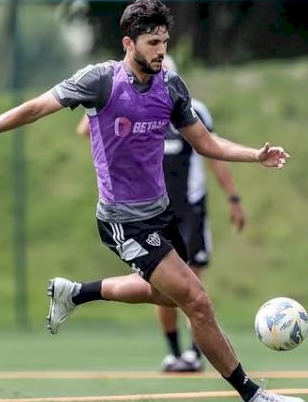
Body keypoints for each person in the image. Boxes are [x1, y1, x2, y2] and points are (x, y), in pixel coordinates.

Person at [0, 0, 302, 402]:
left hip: (161, 216)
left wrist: (255, 155)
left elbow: (206, 142)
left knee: (171, 297)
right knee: (197, 300)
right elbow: (36, 107)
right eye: (151, 43)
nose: (161, 51)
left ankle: (75, 293)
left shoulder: (172, 87)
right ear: (129, 44)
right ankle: (251, 393)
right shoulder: (101, 81)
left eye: (164, 41)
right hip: (123, 221)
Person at [76, 55, 246, 373]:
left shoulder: (190, 109)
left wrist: (233, 198)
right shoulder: (128, 103)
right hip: (151, 209)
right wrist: (109, 99)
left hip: (190, 206)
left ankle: (195, 353)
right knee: (161, 284)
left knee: (193, 280)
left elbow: (214, 153)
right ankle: (173, 352)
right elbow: (86, 128)